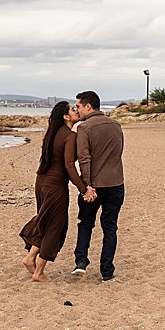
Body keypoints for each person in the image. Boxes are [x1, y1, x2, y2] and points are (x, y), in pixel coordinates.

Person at [19, 101, 86, 282]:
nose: (76, 111)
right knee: (56, 225)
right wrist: (83, 189)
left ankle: (30, 258)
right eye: (73, 110)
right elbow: (69, 166)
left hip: (41, 182)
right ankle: (39, 272)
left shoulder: (52, 133)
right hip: (55, 186)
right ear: (66, 116)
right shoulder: (69, 136)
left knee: (46, 220)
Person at [71, 90, 125, 281]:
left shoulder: (84, 128)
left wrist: (87, 185)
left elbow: (84, 158)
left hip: (95, 185)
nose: (77, 110)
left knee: (86, 223)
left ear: (88, 106)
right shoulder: (116, 125)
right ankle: (107, 271)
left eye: (78, 106)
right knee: (110, 227)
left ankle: (81, 261)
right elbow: (118, 152)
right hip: (116, 183)